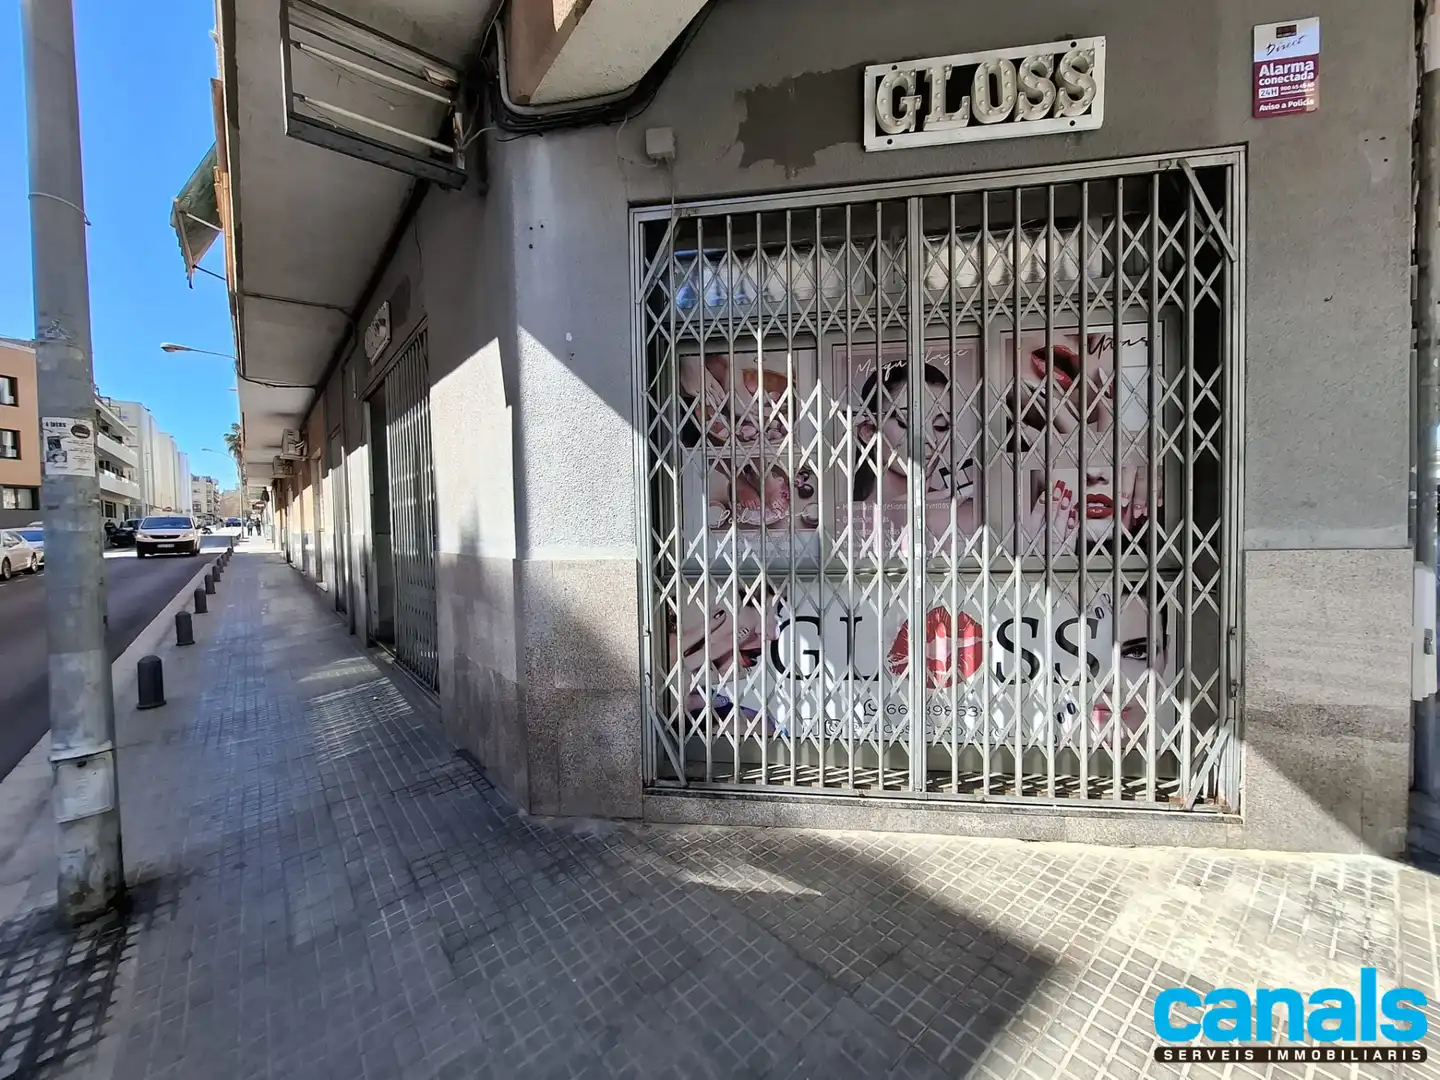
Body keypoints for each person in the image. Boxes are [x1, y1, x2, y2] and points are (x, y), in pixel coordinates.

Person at [850, 350, 981, 548]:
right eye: (906, 423)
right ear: (869, 432)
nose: (928, 439)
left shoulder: (966, 513)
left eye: (940, 426)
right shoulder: (850, 518)